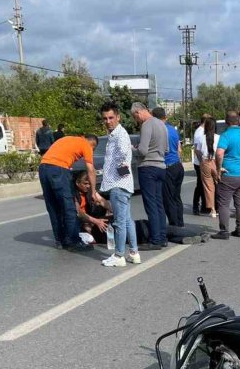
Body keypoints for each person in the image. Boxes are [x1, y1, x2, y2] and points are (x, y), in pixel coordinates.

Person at [74, 173, 211, 246]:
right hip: (112, 228)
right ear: (77, 183)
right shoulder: (74, 197)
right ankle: (198, 233)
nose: (88, 187)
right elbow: (79, 214)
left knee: (155, 230)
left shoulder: (91, 193)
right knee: (156, 230)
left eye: (89, 184)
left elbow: (103, 202)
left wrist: (115, 212)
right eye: (85, 184)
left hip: (116, 223)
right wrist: (95, 222)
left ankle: (187, 237)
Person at [39, 132, 98, 251]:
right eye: (93, 148)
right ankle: (74, 242)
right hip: (59, 169)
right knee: (69, 207)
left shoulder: (68, 139)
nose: (92, 151)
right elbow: (90, 169)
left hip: (43, 168)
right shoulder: (85, 144)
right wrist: (93, 190)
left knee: (53, 207)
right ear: (91, 143)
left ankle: (60, 240)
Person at [99, 101, 140, 267]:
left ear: (118, 117)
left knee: (119, 222)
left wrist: (120, 176)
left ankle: (119, 256)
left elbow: (123, 156)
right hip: (121, 184)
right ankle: (134, 253)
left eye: (111, 118)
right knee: (127, 220)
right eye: (105, 118)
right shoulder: (115, 134)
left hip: (119, 185)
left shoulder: (120, 135)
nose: (108, 121)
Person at [131, 102, 169, 249]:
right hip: (161, 166)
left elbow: (143, 151)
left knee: (151, 205)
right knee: (159, 203)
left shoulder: (147, 125)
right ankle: (162, 236)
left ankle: (155, 240)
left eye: (135, 117)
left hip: (148, 168)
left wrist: (133, 149)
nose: (136, 121)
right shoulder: (161, 124)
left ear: (138, 113)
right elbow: (166, 149)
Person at [213, 110, 240, 240]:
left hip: (228, 175)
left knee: (224, 204)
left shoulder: (225, 136)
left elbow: (219, 153)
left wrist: (218, 169)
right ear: (239, 121)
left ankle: (224, 232)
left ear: (226, 122)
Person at [153, 107, 185, 228]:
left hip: (168, 167)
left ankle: (174, 225)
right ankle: (180, 222)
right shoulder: (173, 129)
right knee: (177, 197)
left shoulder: (159, 131)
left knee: (169, 199)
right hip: (177, 166)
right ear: (165, 117)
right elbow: (178, 149)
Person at [193, 117, 218, 217]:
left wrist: (201, 162)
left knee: (208, 187)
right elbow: (220, 152)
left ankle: (212, 210)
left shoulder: (201, 138)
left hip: (205, 162)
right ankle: (219, 206)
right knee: (219, 185)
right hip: (215, 162)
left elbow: (197, 150)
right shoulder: (218, 137)